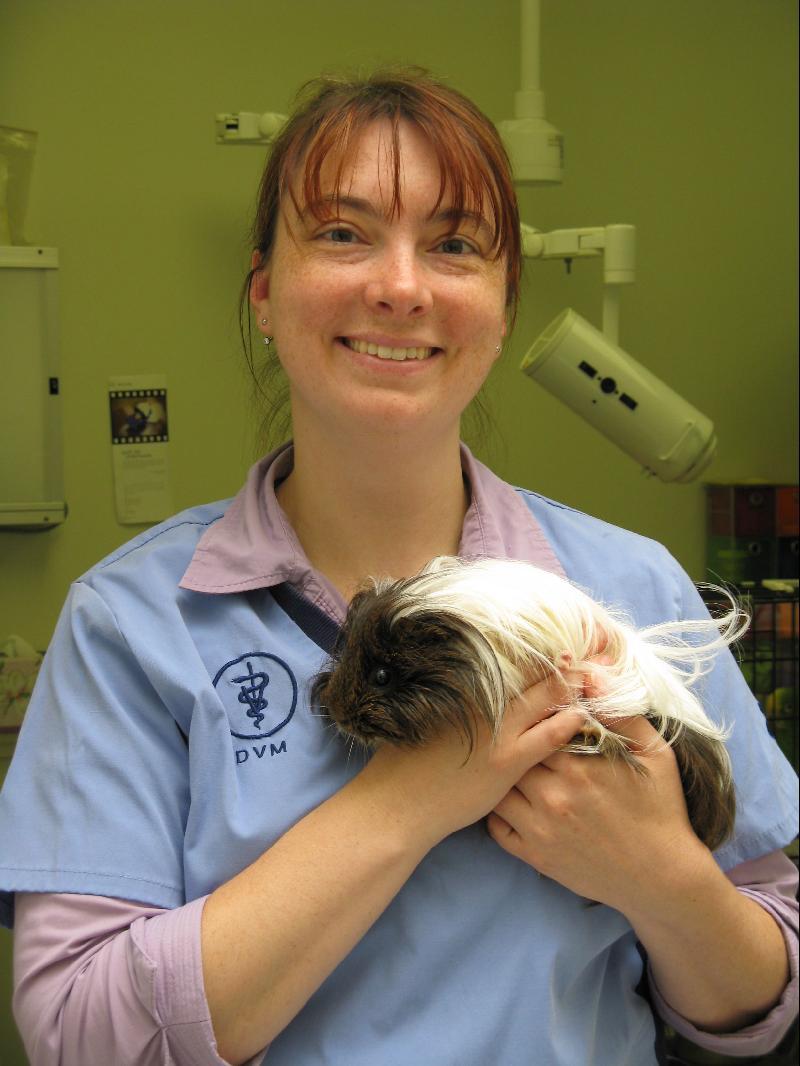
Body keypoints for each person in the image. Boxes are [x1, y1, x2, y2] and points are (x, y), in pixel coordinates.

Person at [0, 69, 797, 1066]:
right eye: (343, 233)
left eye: (454, 244)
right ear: (262, 291)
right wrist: (411, 797)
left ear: (503, 308)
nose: (401, 285)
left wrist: (656, 872)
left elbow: (759, 1001)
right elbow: (80, 1037)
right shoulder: (130, 626)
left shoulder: (629, 590)